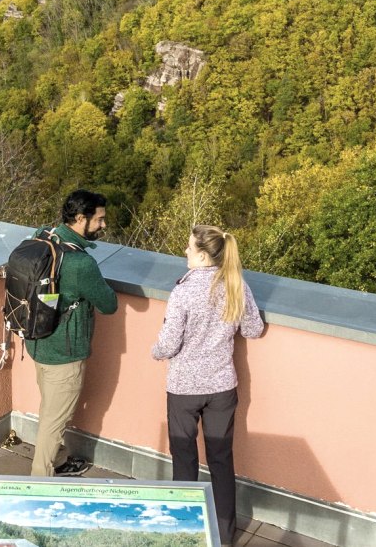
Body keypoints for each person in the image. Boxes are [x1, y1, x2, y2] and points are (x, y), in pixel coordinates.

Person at [151, 225, 265, 540]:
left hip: (184, 388)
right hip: (221, 387)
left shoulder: (183, 291)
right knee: (221, 459)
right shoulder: (235, 284)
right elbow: (253, 329)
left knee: (184, 459)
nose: (185, 252)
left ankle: (187, 533)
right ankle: (225, 536)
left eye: (189, 248)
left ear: (202, 255)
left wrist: (155, 351)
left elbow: (169, 343)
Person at [28, 189, 119, 477]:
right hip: (64, 354)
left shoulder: (43, 236)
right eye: (99, 220)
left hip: (37, 342)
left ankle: (51, 465)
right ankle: (38, 485)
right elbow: (109, 304)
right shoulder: (81, 263)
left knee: (49, 413)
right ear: (81, 218)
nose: (103, 226)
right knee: (54, 424)